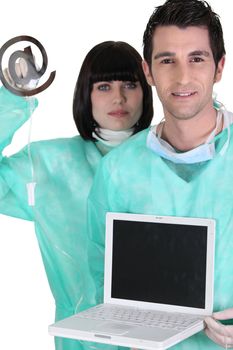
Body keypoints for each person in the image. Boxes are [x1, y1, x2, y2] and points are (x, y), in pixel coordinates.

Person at [87, 1, 233, 349]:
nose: (182, 77)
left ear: (219, 67)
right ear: (148, 71)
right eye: (167, 60)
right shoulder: (120, 170)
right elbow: (100, 278)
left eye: (197, 58)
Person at [0, 40, 153, 350]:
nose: (119, 97)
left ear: (145, 91)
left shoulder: (169, 159)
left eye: (129, 84)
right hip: (80, 340)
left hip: (163, 338)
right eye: (104, 86)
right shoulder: (51, 165)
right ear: (86, 93)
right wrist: (10, 100)